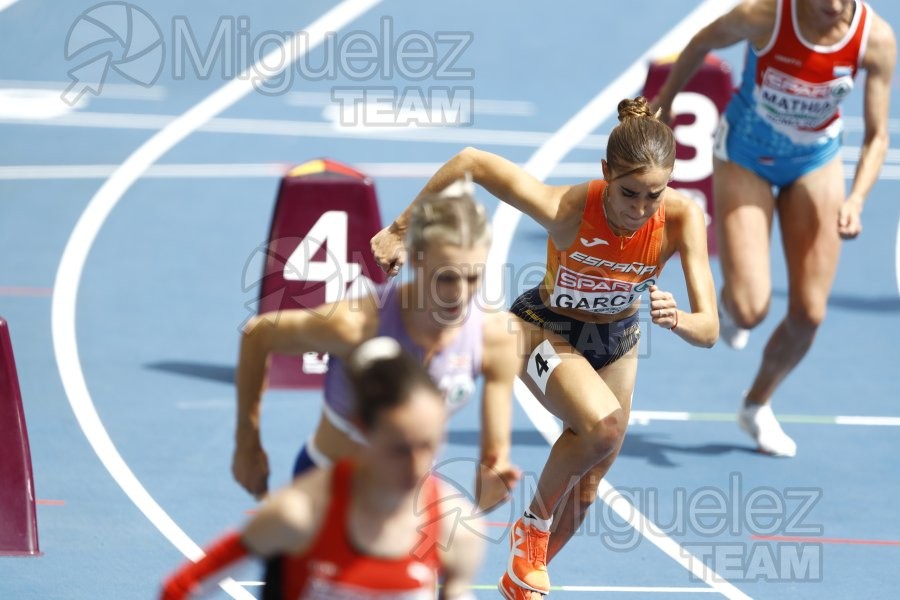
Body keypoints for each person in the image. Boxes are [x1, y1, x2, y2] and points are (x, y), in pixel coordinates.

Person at [371, 97, 719, 599]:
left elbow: (709, 329)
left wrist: (681, 319)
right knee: (603, 427)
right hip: (541, 326)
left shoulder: (683, 220)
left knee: (588, 486)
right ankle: (531, 529)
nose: (640, 210)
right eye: (629, 193)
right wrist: (401, 229)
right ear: (605, 173)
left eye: (653, 196)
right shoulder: (568, 210)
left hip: (617, 340)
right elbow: (471, 160)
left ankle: (521, 579)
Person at [651, 0, 895, 457]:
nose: (832, 6)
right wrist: (664, 102)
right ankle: (729, 304)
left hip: (814, 162)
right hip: (745, 156)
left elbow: (878, 135)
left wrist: (857, 197)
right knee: (749, 310)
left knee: (809, 316)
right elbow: (702, 40)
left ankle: (756, 405)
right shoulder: (764, 16)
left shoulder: (875, 38)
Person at [231, 181, 521, 513]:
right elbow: (258, 335)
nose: (458, 294)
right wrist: (246, 442)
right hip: (330, 496)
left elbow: (494, 461)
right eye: (446, 277)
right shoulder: (356, 323)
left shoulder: (495, 337)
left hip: (408, 507)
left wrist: (492, 483)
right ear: (417, 262)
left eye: (473, 278)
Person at [161, 337, 484, 599]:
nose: (417, 466)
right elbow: (180, 589)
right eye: (398, 449)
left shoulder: (456, 528)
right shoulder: (299, 515)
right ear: (362, 429)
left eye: (429, 444)